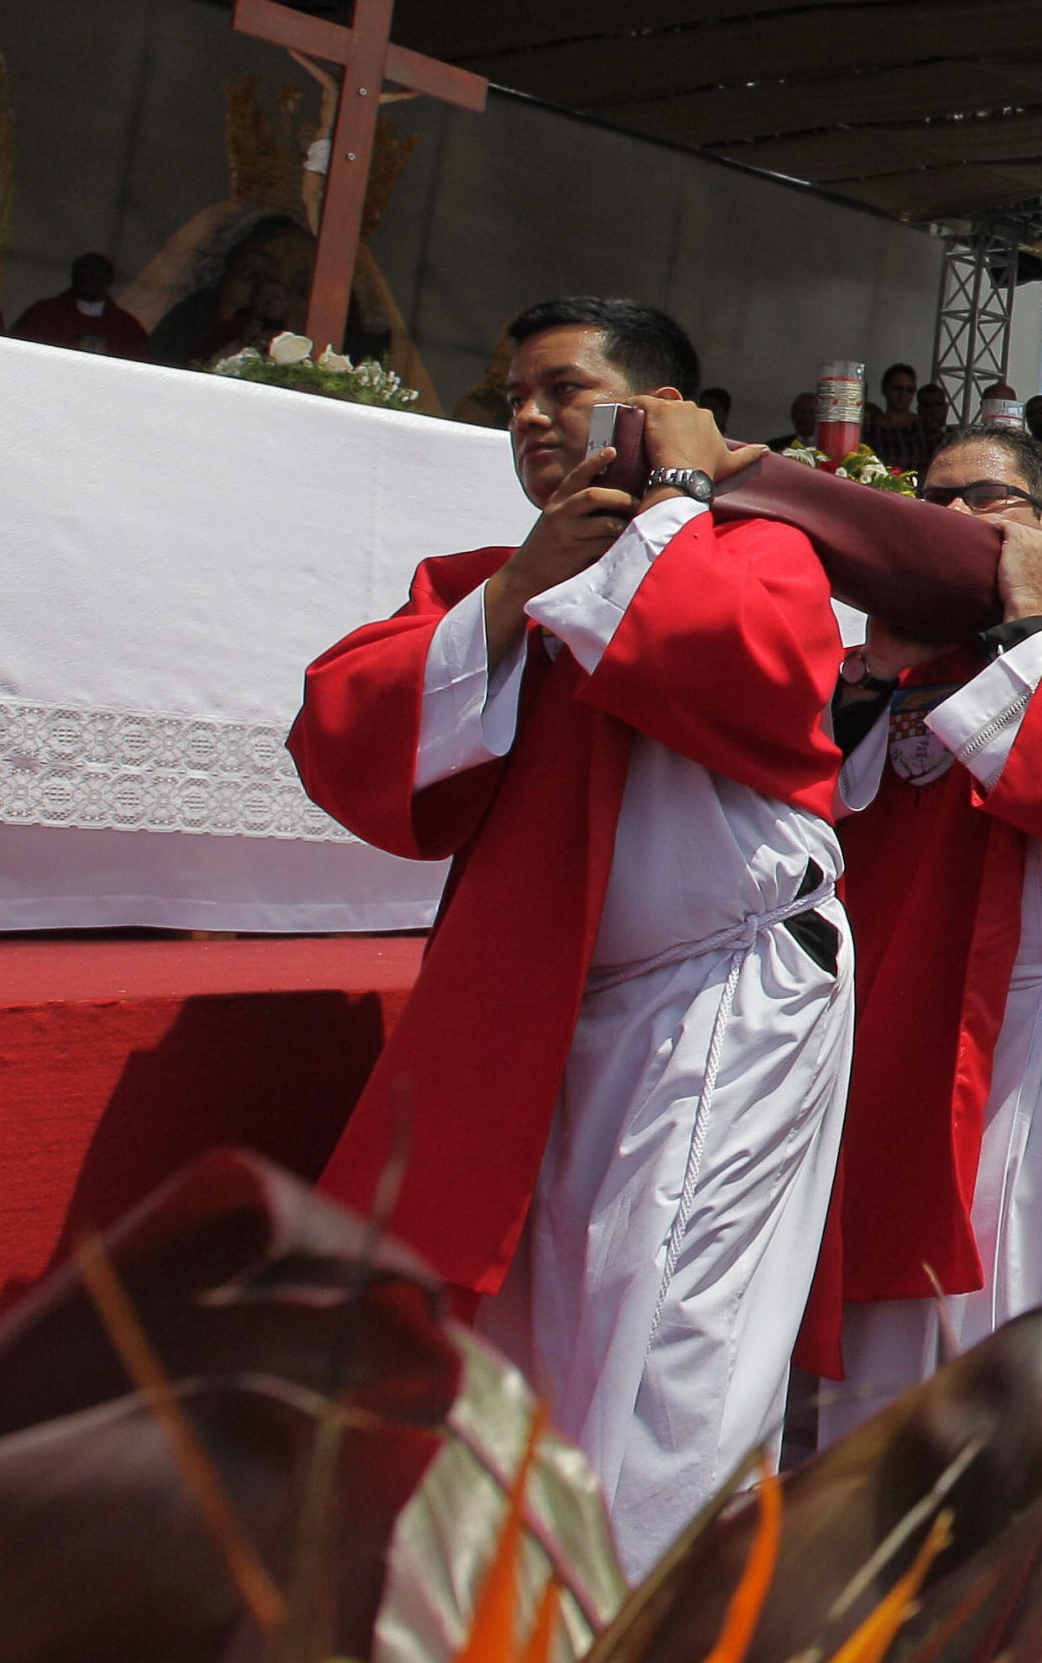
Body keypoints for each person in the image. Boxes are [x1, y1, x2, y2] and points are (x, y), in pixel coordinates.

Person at [286, 298, 851, 1570]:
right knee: (534, 1336)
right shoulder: (502, 582)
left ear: (656, 412)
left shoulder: (756, 551)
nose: (530, 418)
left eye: (562, 389)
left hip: (728, 1006)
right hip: (547, 1010)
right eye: (511, 400)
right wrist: (510, 598)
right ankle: (512, 1644)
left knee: (675, 1359)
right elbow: (342, 738)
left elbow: (737, 663)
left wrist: (680, 497)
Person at [818, 427, 1042, 1436]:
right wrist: (873, 678)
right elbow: (795, 819)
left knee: (1023, 1312)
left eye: (988, 501)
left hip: (1039, 1035)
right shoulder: (880, 660)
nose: (956, 520)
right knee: (888, 1346)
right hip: (893, 1022)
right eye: (932, 501)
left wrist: (1025, 614)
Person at [10, 250, 151, 360]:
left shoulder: (126, 327)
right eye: (84, 273)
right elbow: (15, 351)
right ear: (74, 276)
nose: (89, 279)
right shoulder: (43, 314)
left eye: (97, 275)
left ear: (108, 281)